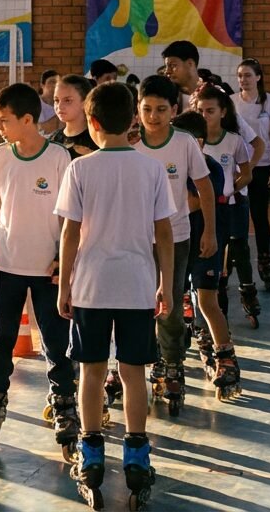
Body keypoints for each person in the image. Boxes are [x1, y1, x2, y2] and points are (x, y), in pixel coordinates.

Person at [55, 82, 175, 509]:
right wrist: (165, 284)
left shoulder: (80, 169)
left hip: (92, 286)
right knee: (133, 373)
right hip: (138, 286)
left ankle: (91, 455)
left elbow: (70, 233)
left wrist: (65, 284)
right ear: (133, 121)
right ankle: (137, 457)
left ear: (91, 122)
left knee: (91, 371)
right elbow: (164, 233)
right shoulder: (151, 169)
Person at [0, 83, 77, 456]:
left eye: (3, 120)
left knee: (56, 340)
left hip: (48, 268)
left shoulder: (59, 157)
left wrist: (63, 257)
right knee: (0, 338)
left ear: (27, 120)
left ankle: (64, 403)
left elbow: (69, 214)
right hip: (8, 264)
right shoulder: (1, 155)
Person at [135, 75, 216, 417]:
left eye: (161, 109)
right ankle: (141, 359)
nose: (153, 116)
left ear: (174, 110)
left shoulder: (184, 143)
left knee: (168, 300)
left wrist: (209, 231)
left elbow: (205, 187)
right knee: (138, 303)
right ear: (137, 109)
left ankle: (172, 362)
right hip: (136, 240)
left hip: (177, 237)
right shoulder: (129, 144)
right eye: (147, 109)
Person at [171, 111, 243, 400]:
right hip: (177, 241)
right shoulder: (171, 164)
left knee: (207, 300)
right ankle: (169, 356)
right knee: (170, 299)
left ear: (198, 142)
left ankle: (226, 358)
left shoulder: (209, 167)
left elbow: (194, 202)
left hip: (206, 240)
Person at [194, 84, 260, 328]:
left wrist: (229, 190)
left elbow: (247, 174)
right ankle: (216, 310)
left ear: (222, 112)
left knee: (239, 250)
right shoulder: (193, 142)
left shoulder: (233, 140)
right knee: (213, 259)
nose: (204, 116)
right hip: (202, 210)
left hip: (230, 206)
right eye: (200, 111)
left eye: (210, 111)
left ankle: (248, 293)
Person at [162, 40, 267, 164]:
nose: (167, 71)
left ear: (190, 63)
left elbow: (257, 143)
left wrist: (245, 172)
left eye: (173, 65)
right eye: (166, 66)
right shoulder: (169, 98)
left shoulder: (216, 95)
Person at [234, 58, 270, 290]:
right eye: (240, 75)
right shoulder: (231, 102)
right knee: (236, 217)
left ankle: (264, 262)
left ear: (258, 77)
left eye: (248, 75)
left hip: (262, 167)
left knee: (260, 216)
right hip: (239, 168)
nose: (243, 79)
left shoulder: (269, 101)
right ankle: (231, 264)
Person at [51, 74, 98, 158]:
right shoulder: (53, 140)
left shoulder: (97, 139)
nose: (60, 106)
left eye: (67, 100)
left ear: (85, 102)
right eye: (56, 100)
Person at [38, 69, 60, 135]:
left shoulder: (63, 103)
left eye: (58, 82)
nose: (56, 85)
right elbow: (39, 129)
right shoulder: (34, 103)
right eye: (52, 82)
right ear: (42, 85)